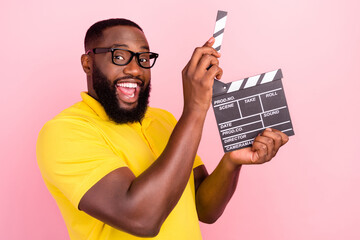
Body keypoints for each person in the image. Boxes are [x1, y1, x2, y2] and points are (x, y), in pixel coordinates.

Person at [37, 18, 289, 240]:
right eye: (119, 56)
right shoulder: (64, 132)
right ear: (88, 63)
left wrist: (232, 162)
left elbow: (204, 208)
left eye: (144, 58)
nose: (135, 69)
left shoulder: (163, 120)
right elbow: (142, 219)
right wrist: (195, 108)